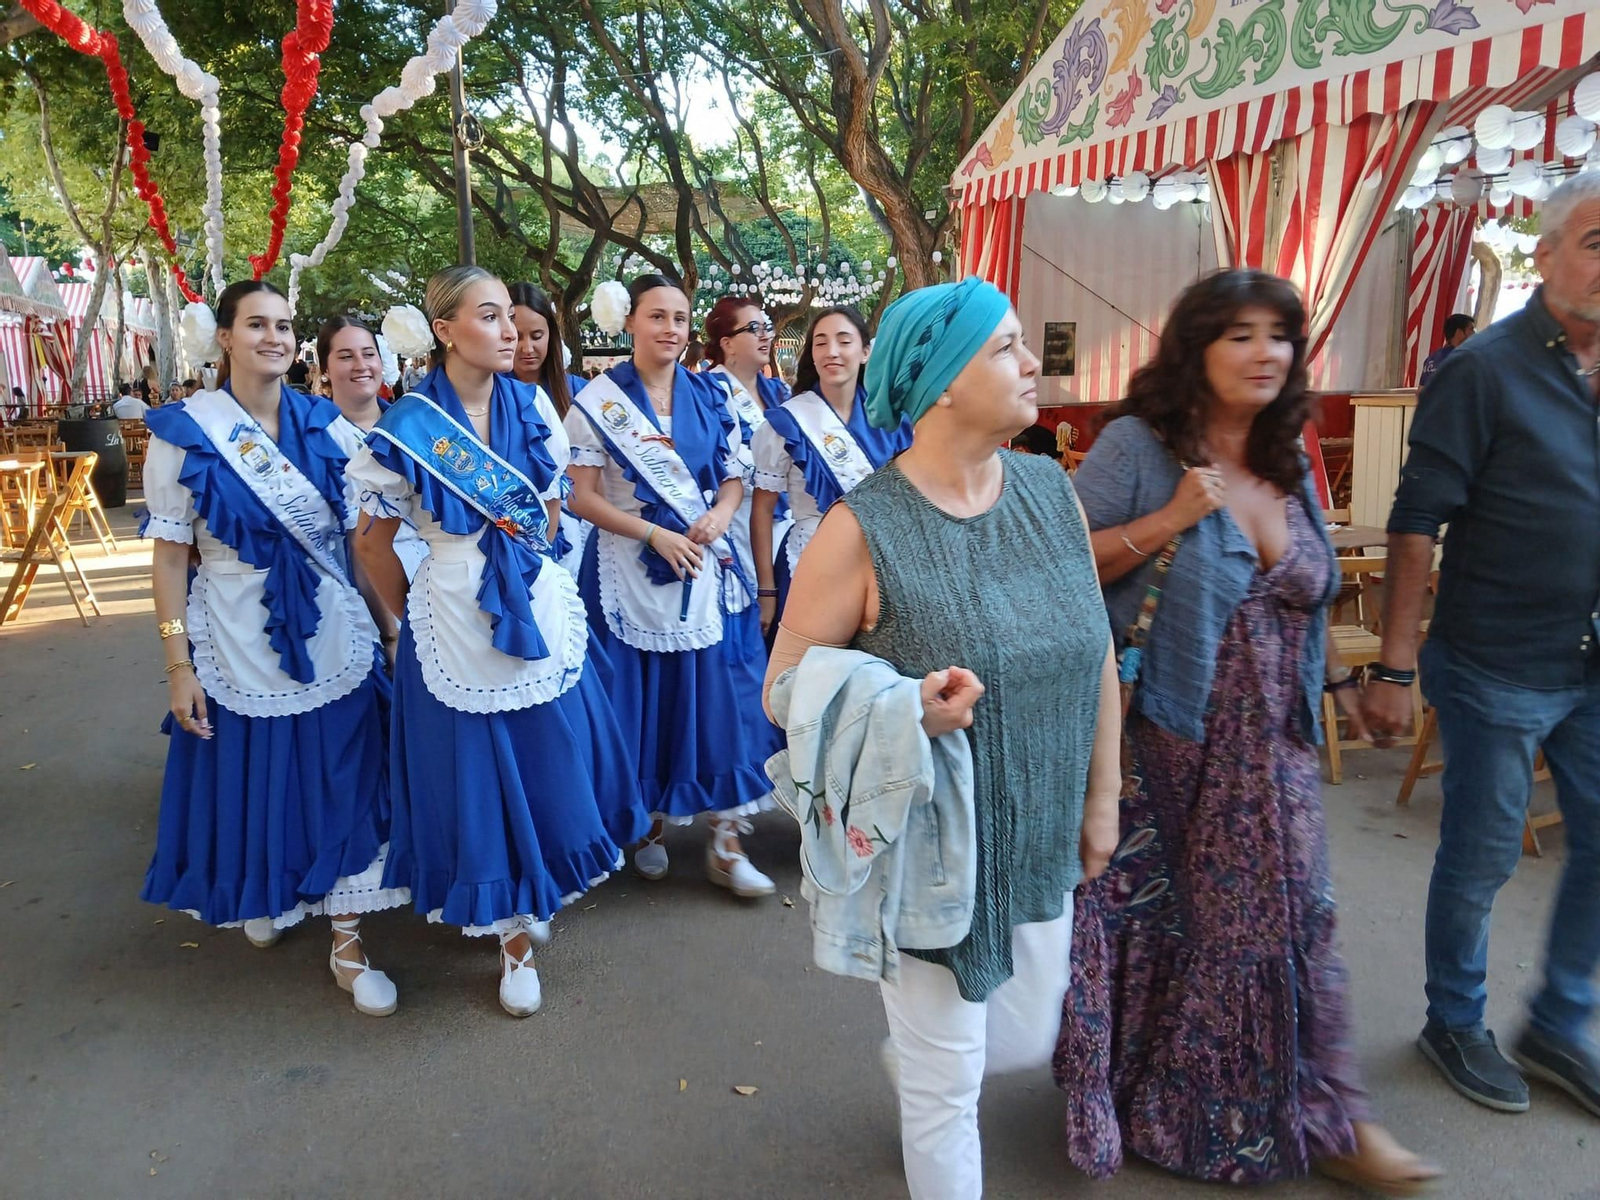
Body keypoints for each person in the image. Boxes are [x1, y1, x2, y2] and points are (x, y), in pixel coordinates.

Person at [1055, 268, 1440, 1192]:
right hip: (1166, 738)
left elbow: (1301, 602)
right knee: (1184, 925)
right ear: (1196, 348)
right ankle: (1176, 1103)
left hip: (1277, 748)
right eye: (1239, 334)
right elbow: (1066, 567)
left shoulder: (1287, 454)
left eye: (1279, 334)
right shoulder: (1140, 449)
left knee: (1288, 922)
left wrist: (1350, 681)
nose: (1265, 352)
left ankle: (1326, 1116)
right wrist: (1171, 518)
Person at [765, 277, 1120, 1200]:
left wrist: (1102, 798)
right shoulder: (860, 530)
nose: (1031, 360)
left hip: (1042, 830)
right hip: (929, 845)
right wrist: (902, 707)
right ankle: (925, 1064)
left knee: (1028, 1031)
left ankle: (919, 1053)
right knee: (947, 1085)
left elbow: (1097, 653)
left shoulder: (1051, 491)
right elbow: (782, 688)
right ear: (942, 383)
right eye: (1005, 346)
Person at [350, 266, 650, 1017]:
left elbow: (550, 514)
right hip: (449, 616)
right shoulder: (407, 427)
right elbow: (372, 544)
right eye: (488, 316)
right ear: (445, 330)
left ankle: (530, 900)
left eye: (510, 318)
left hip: (534, 603)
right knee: (477, 776)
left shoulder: (536, 407)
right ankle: (511, 932)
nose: (509, 331)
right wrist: (409, 618)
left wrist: (521, 572)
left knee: (550, 757)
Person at [1365, 172, 1600, 1120]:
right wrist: (1390, 664)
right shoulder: (1485, 368)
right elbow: (1418, 520)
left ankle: (1559, 1021)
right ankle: (1453, 1021)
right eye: (1594, 242)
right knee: (1483, 850)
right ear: (1541, 254)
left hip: (1590, 659)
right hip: (1495, 657)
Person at [140, 279, 403, 1019]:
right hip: (231, 627)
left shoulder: (328, 425)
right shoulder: (183, 432)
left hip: (331, 624)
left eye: (284, 326)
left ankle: (348, 938)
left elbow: (359, 544)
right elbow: (166, 559)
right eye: (257, 325)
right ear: (224, 337)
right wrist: (176, 665)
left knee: (344, 773)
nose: (274, 338)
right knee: (263, 777)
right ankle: (271, 886)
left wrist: (389, 630)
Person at [564, 274, 780, 898]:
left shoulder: (710, 395)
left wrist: (718, 513)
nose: (670, 329)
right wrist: (651, 535)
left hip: (702, 568)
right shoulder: (597, 401)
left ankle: (726, 840)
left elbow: (735, 474)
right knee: (639, 703)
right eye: (656, 316)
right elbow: (580, 496)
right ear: (629, 322)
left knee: (714, 702)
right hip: (625, 570)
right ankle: (648, 827)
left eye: (680, 318)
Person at [750, 306, 911, 637]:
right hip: (809, 561)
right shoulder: (788, 422)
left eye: (844, 340)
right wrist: (766, 589)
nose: (832, 352)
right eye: (820, 342)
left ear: (865, 351)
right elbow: (762, 510)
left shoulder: (893, 420)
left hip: (881, 565)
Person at [317, 316, 428, 586]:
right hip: (352, 582)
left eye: (368, 354)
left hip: (427, 576)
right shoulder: (316, 437)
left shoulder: (413, 425)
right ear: (325, 369)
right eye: (345, 357)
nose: (361, 365)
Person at [507, 282, 591, 576]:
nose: (527, 348)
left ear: (552, 337)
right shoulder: (488, 400)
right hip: (515, 533)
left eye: (537, 335)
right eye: (517, 337)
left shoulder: (582, 395)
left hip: (582, 525)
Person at [1418, 313, 1475, 388]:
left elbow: (1420, 391)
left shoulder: (1430, 360)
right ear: (1459, 333)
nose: (1474, 333)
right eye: (1471, 329)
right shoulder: (1463, 359)